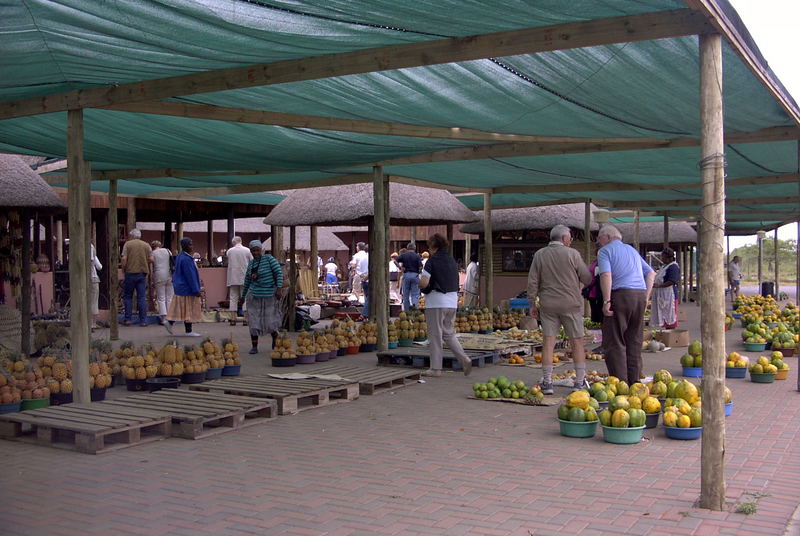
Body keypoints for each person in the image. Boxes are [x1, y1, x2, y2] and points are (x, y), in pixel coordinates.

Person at [527, 225, 593, 394]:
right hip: (571, 304)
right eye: (570, 238)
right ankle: (579, 382)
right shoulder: (573, 254)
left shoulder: (540, 255)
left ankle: (548, 383)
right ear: (564, 239)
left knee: (548, 342)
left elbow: (532, 281)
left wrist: (532, 304)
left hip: (548, 304)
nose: (570, 240)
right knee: (576, 341)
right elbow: (587, 277)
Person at [597, 224, 655, 384]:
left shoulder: (605, 251)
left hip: (620, 295)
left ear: (608, 237)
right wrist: (646, 297)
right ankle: (634, 382)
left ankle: (620, 383)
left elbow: (606, 275)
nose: (598, 241)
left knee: (615, 340)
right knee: (634, 340)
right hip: (638, 296)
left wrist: (607, 300)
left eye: (599, 238)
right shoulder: (632, 250)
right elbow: (651, 273)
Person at [419, 233, 473, 377]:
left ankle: (436, 368)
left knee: (435, 335)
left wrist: (422, 287)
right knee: (448, 333)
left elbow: (424, 282)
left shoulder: (432, 261)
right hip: (452, 301)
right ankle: (464, 358)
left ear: (433, 246)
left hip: (436, 301)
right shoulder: (451, 261)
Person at [241, 240, 284, 354]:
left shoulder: (269, 259)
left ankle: (275, 338)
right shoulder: (251, 264)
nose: (255, 253)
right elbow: (247, 281)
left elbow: (279, 273)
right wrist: (242, 296)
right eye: (253, 251)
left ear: (261, 250)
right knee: (254, 321)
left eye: (257, 250)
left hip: (269, 295)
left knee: (270, 321)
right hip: (254, 296)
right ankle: (254, 346)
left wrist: (279, 288)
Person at [164, 237, 203, 337]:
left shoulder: (180, 256)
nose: (192, 246)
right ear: (185, 246)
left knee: (181, 308)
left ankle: (170, 322)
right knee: (188, 309)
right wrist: (196, 289)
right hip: (187, 288)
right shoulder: (186, 259)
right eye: (190, 244)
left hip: (180, 286)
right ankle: (188, 331)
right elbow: (190, 276)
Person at [120, 228, 153, 326]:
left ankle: (128, 319)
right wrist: (145, 262)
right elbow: (151, 258)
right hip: (142, 273)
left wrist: (123, 269)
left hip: (130, 272)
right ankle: (143, 320)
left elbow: (124, 258)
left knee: (128, 296)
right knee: (142, 297)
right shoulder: (146, 245)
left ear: (132, 236)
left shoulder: (128, 244)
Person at [650, 248, 680, 329]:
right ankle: (666, 332)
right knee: (664, 314)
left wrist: (660, 286)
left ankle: (671, 334)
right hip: (662, 295)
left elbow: (672, 281)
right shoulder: (664, 266)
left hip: (670, 295)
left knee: (670, 314)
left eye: (664, 258)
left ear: (670, 258)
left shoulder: (673, 267)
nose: (662, 259)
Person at [226, 236, 253, 317]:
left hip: (233, 277)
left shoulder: (229, 251)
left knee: (233, 297)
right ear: (241, 241)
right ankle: (245, 318)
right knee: (244, 296)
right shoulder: (247, 250)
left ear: (233, 243)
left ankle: (233, 317)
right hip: (244, 276)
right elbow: (252, 262)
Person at [150, 240, 173, 325]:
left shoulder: (153, 253)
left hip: (159, 275)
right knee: (169, 297)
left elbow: (151, 261)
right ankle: (170, 317)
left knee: (161, 297)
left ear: (152, 247)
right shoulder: (167, 250)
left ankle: (164, 318)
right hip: (169, 274)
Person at [397, 243, 422, 311]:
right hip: (415, 275)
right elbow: (420, 267)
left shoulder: (404, 255)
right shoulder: (417, 256)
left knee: (405, 295)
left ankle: (407, 312)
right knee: (415, 295)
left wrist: (400, 267)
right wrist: (419, 271)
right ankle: (414, 310)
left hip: (406, 275)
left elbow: (395, 260)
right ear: (415, 248)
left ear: (407, 248)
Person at [89, 241, 102, 330]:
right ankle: (93, 323)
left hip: (83, 279)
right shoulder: (90, 247)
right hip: (93, 278)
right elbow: (99, 267)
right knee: (94, 301)